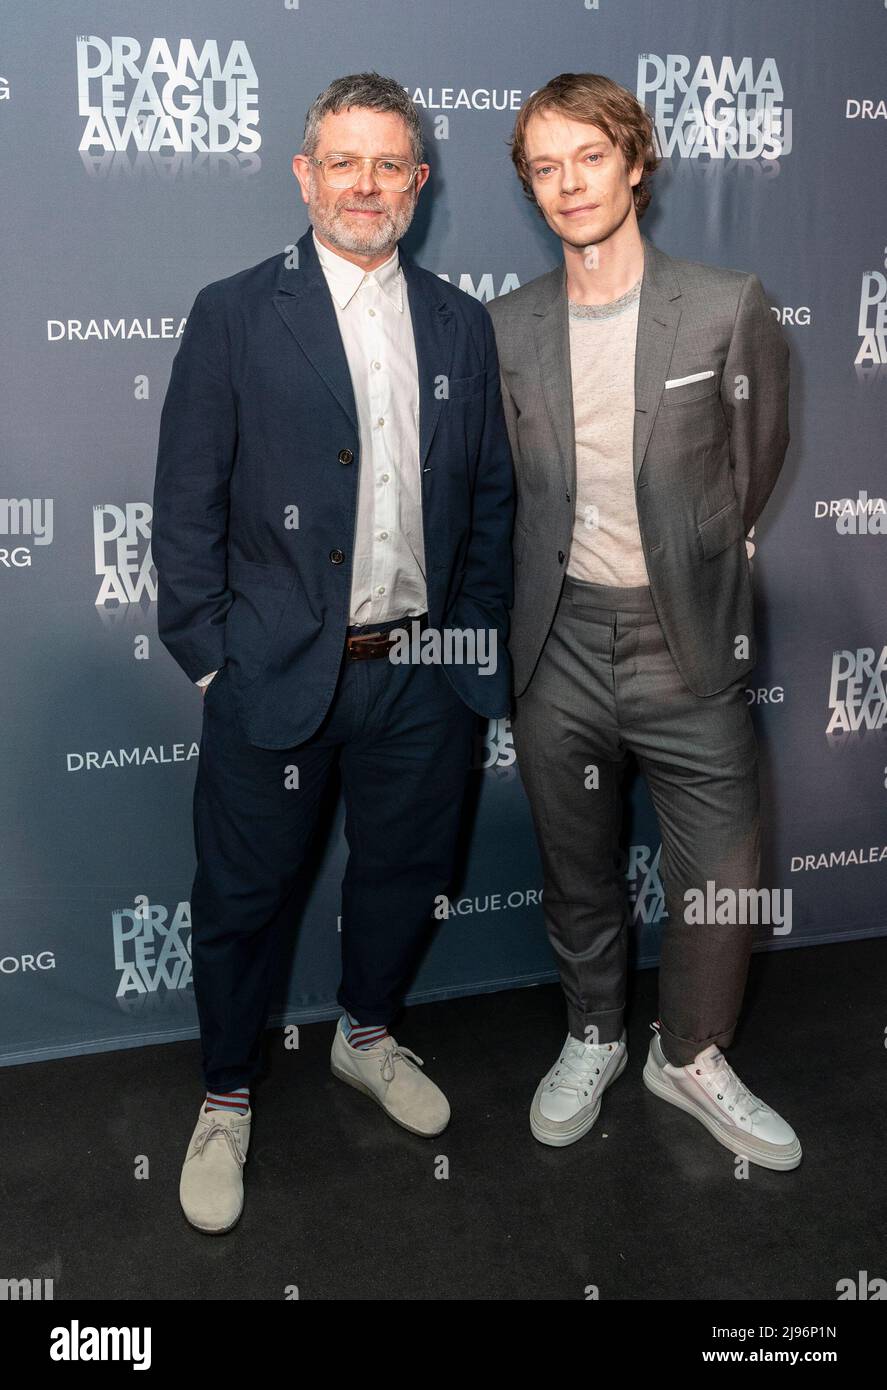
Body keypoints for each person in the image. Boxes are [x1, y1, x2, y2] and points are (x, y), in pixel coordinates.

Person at [152, 71, 514, 1233]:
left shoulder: (462, 321)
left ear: (417, 180)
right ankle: (223, 1094)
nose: (365, 184)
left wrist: (467, 661)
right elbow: (185, 504)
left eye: (388, 164)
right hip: (276, 673)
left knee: (405, 876)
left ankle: (366, 1036)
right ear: (305, 175)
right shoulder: (233, 311)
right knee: (244, 901)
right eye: (341, 162)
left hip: (420, 677)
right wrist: (212, 656)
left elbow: (491, 504)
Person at [487, 72, 800, 1169]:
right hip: (555, 644)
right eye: (544, 166)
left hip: (686, 638)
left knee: (716, 871)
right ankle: (589, 1034)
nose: (569, 183)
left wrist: (687, 561)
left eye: (588, 157)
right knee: (575, 866)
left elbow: (743, 473)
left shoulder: (726, 305)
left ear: (633, 160)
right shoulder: (506, 328)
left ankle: (690, 1053)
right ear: (530, 186)